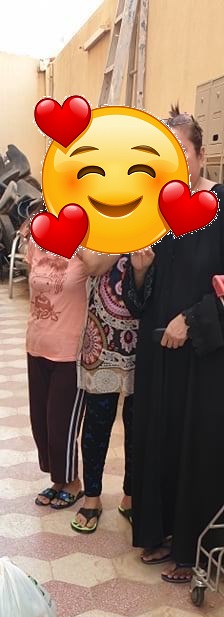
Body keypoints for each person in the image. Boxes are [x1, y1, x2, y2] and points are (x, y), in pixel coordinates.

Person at [123, 104, 224, 583]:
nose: (176, 162)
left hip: (204, 357)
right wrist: (141, 271)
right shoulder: (155, 212)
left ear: (201, 156)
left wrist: (192, 318)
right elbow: (139, 297)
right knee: (156, 436)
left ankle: (194, 548)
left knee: (196, 445)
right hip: (157, 355)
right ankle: (160, 532)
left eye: (183, 151)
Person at [25, 205, 115, 510]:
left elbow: (97, 266)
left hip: (70, 350)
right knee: (40, 423)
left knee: (60, 423)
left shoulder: (88, 243)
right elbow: (34, 283)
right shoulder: (37, 238)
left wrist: (72, 236)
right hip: (36, 342)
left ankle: (72, 482)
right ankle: (58, 479)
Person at [71, 257, 138, 534]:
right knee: (97, 422)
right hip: (101, 335)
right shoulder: (99, 229)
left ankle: (131, 495)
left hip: (144, 328)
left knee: (138, 422)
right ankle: (92, 497)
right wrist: (125, 237)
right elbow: (92, 265)